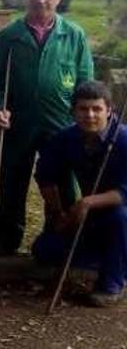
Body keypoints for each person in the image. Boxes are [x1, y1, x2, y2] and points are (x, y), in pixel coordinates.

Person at [0, 0, 94, 254]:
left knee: (63, 183)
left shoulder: (74, 35)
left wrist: (82, 119)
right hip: (17, 123)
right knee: (10, 182)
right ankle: (5, 243)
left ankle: (62, 241)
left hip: (62, 123)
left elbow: (85, 81)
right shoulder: (8, 37)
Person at [32, 81, 127, 307]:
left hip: (119, 214)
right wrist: (58, 214)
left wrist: (86, 203)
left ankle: (111, 284)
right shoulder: (66, 138)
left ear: (109, 110)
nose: (90, 115)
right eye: (83, 109)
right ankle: (111, 260)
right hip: (92, 218)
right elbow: (45, 175)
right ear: (73, 111)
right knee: (44, 249)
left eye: (97, 109)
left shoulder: (123, 140)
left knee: (120, 218)